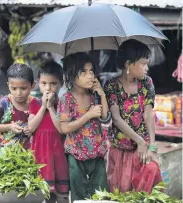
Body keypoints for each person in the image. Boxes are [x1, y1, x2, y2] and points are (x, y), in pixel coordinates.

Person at [104, 39, 162, 194]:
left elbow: (148, 114)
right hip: (120, 150)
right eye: (143, 64)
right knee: (123, 194)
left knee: (148, 183)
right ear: (129, 64)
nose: (147, 68)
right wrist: (140, 141)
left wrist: (152, 146)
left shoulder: (147, 83)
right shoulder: (111, 85)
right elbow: (116, 118)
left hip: (142, 151)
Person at [57, 53, 111, 202]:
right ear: (71, 75)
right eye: (84, 72)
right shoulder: (66, 99)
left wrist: (102, 95)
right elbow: (64, 128)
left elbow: (105, 119)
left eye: (91, 71)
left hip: (97, 154)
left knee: (102, 195)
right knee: (79, 195)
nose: (90, 76)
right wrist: (88, 115)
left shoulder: (94, 95)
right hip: (75, 155)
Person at [28, 61, 69, 203]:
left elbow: (61, 128)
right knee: (47, 195)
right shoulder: (34, 103)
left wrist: (51, 107)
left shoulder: (64, 103)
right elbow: (31, 127)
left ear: (61, 83)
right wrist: (43, 107)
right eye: (44, 83)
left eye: (53, 83)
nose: (48, 88)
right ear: (38, 83)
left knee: (62, 195)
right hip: (41, 154)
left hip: (58, 154)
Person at [0, 63, 34, 156]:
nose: (18, 93)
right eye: (13, 88)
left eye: (23, 88)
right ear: (8, 85)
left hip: (28, 150)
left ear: (32, 85)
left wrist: (32, 129)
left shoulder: (36, 104)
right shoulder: (3, 103)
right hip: (5, 150)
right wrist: (9, 127)